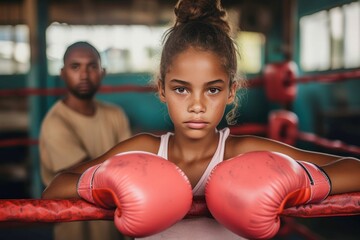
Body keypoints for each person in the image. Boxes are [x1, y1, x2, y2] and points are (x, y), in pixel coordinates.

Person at [42, 1, 360, 239]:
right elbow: (55, 189)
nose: (196, 105)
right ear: (162, 89)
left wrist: (299, 185)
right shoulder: (144, 150)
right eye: (181, 89)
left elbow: (353, 169)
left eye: (212, 90)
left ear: (232, 92)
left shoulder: (244, 151)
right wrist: (111, 185)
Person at [39, 41, 131, 240]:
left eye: (91, 66)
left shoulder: (115, 115)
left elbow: (130, 165)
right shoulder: (55, 122)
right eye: (75, 67)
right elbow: (84, 178)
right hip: (76, 231)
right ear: (63, 73)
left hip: (115, 227)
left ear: (102, 72)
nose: (84, 74)